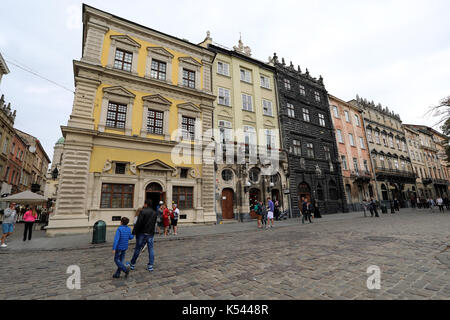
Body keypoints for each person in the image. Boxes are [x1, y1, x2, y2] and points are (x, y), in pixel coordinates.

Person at [128, 199, 158, 272]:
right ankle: (150, 265)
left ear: (146, 204)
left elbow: (139, 223)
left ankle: (132, 263)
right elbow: (154, 224)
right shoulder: (154, 212)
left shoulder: (142, 211)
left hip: (142, 233)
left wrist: (134, 232)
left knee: (138, 248)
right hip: (150, 233)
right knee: (151, 249)